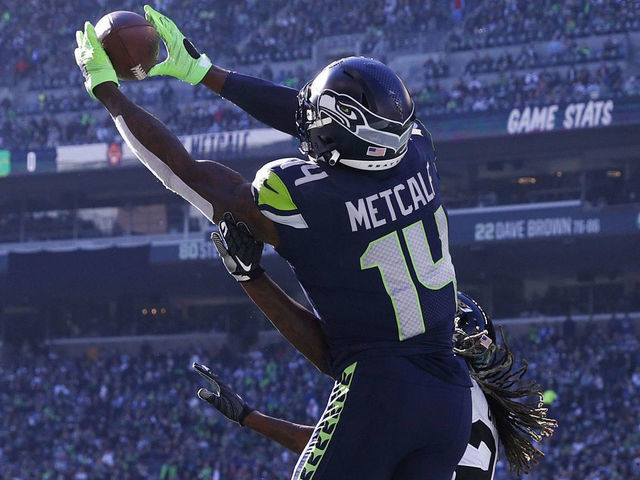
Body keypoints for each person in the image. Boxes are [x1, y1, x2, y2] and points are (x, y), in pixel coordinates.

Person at [75, 6, 472, 478]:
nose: (309, 123)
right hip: (450, 397)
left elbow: (186, 175)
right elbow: (313, 119)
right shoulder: (417, 149)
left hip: (379, 391)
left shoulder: (305, 200)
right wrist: (204, 72)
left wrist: (110, 96)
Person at [197, 216, 557, 479]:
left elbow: (349, 436)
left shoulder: (429, 379)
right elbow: (341, 446)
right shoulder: (469, 400)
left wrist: (252, 278)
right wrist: (251, 417)